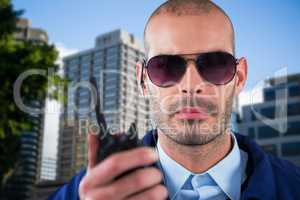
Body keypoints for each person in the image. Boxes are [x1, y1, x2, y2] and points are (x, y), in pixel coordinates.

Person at [49, 0, 300, 199]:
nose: (190, 86)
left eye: (214, 64)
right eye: (166, 66)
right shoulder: (85, 193)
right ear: (142, 80)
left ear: (240, 77)